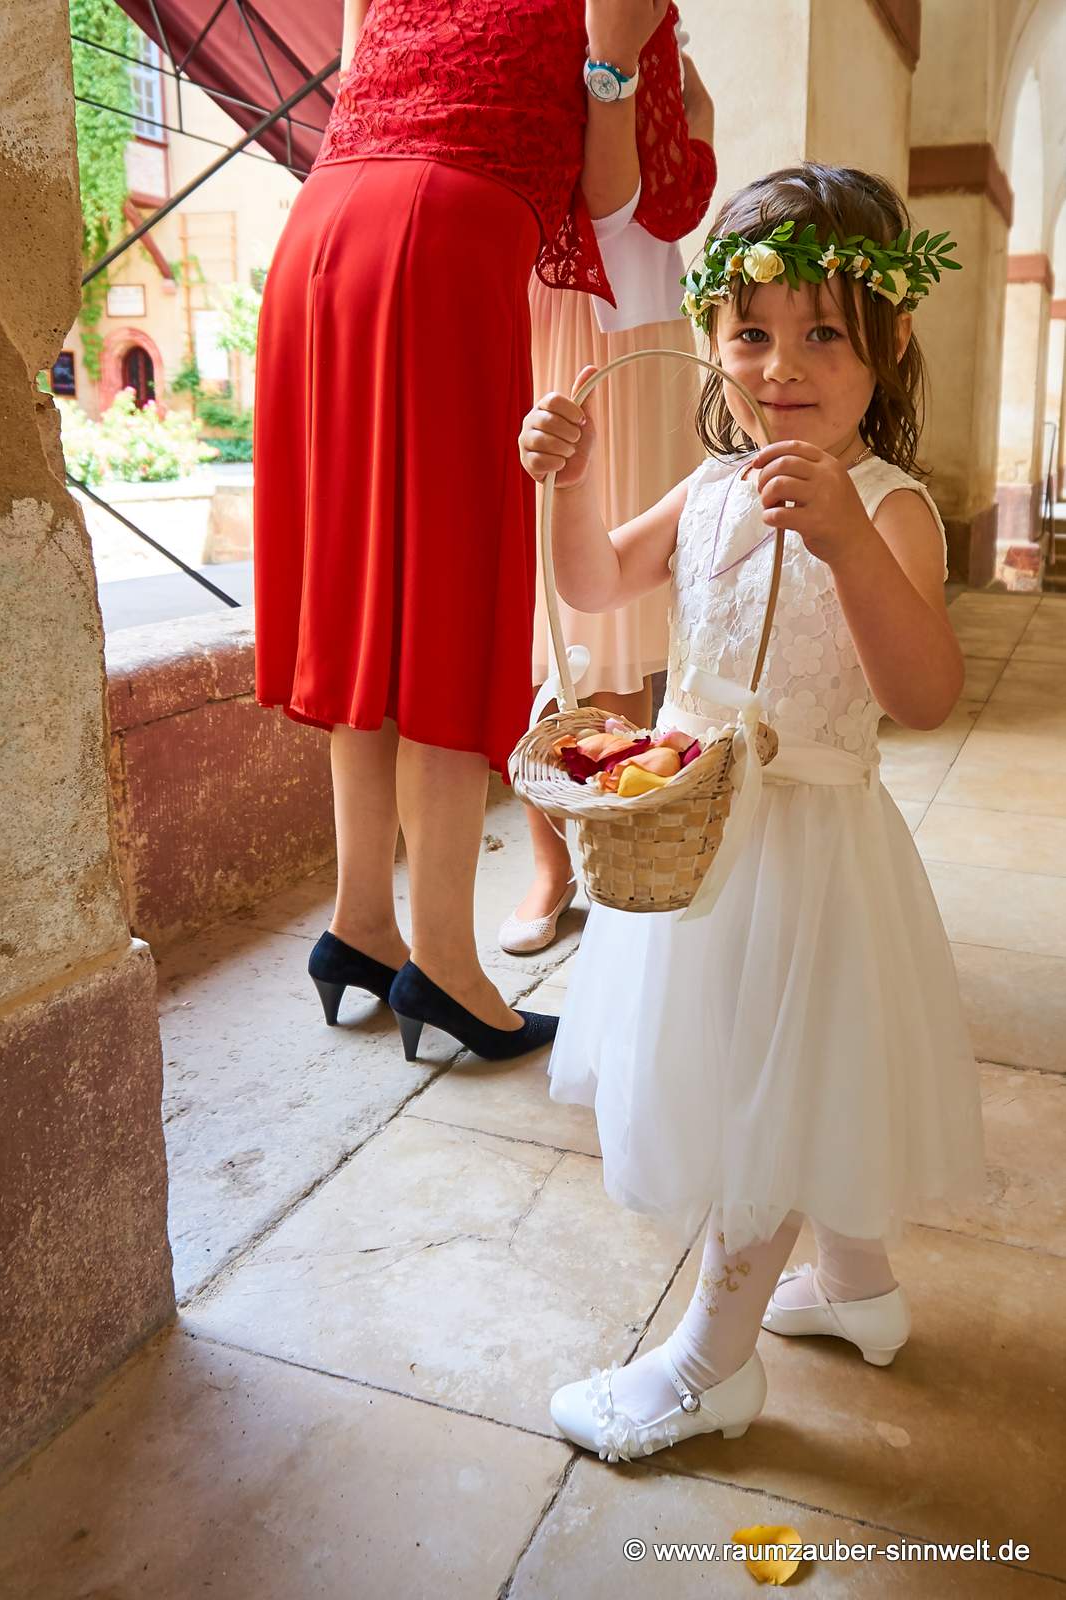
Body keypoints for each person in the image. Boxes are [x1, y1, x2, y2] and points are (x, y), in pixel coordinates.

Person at [515, 163, 985, 1459]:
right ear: (711, 338)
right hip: (700, 837)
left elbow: (926, 694)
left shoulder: (884, 506)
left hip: (809, 851)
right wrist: (562, 481)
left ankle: (705, 1366)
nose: (783, 367)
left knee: (763, 1099)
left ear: (884, 344)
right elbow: (596, 580)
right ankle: (854, 1288)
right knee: (788, 1080)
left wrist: (841, 544)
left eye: (823, 332)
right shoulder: (709, 490)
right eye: (751, 332)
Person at [253, 0, 677, 1061]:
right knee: (445, 600)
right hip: (440, 243)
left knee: (366, 602)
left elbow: (367, 98)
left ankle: (360, 922)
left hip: (318, 236)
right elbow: (615, 200)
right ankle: (441, 957)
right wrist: (614, 61)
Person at [501, 22, 717, 955]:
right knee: (536, 605)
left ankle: (611, 835)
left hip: (641, 313)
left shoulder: (648, 32)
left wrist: (626, 79)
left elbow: (665, 155)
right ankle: (549, 865)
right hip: (538, 300)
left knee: (616, 614)